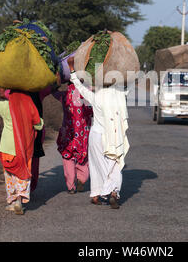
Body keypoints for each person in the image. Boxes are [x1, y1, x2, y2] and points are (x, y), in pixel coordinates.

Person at [67, 56, 130, 209]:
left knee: (96, 165)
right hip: (114, 137)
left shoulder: (97, 96)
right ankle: (114, 192)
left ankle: (95, 195)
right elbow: (128, 85)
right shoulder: (121, 95)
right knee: (114, 165)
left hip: (96, 136)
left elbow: (80, 88)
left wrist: (72, 70)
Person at [0, 83, 44, 215]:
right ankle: (19, 201)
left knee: (9, 174)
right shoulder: (29, 106)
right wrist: (40, 122)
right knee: (22, 174)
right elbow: (38, 125)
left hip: (7, 148)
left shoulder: (6, 106)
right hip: (24, 148)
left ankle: (11, 201)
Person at [52, 81, 92, 194]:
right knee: (83, 156)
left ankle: (71, 186)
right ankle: (82, 179)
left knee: (68, 156)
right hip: (82, 131)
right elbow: (91, 111)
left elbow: (54, 93)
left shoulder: (65, 94)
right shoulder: (86, 93)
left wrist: (55, 82)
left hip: (67, 131)